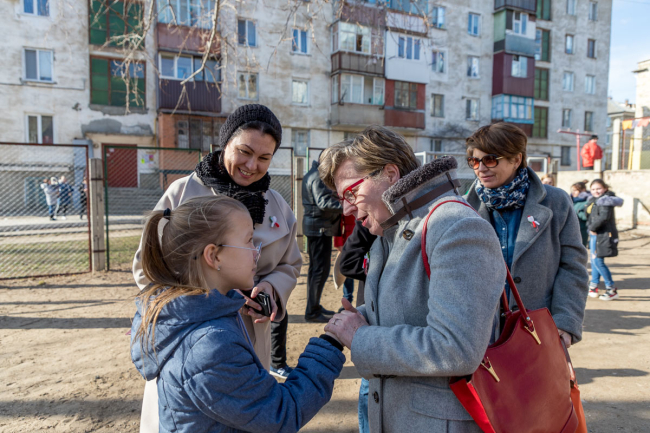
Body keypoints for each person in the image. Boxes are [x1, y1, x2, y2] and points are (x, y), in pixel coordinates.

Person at [320, 126, 506, 432]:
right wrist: (363, 316)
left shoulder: (455, 226)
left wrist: (360, 337)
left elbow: (455, 347)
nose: (346, 207)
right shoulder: (392, 228)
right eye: (342, 198)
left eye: (351, 192)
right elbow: (412, 306)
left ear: (390, 175)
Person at [132, 104, 302, 432]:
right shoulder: (183, 193)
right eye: (244, 152)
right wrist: (207, 298)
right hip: (189, 339)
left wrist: (270, 290)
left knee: (247, 414)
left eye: (264, 158)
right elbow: (147, 267)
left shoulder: (279, 207)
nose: (252, 166)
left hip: (249, 338)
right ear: (224, 144)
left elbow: (289, 264)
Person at [131, 195, 345, 433]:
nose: (256, 252)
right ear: (214, 256)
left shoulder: (191, 315)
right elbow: (280, 414)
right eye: (249, 241)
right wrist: (330, 344)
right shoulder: (210, 347)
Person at [464, 122, 589, 349]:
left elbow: (573, 266)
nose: (480, 168)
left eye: (490, 160)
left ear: (516, 159)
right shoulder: (462, 208)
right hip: (477, 335)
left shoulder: (556, 201)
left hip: (538, 332)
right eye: (474, 161)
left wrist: (565, 321)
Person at [337, 220, 376, 433]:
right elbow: (347, 262)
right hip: (371, 312)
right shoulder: (370, 219)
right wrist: (381, 276)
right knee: (370, 380)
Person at [302, 154, 343, 323]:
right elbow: (323, 202)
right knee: (320, 271)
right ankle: (312, 311)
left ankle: (314, 307)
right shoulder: (318, 176)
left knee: (316, 271)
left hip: (317, 227)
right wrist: (347, 205)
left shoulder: (312, 173)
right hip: (319, 229)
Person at [586, 179, 623, 300]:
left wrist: (592, 228)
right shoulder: (593, 200)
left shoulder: (605, 201)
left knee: (598, 261)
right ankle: (593, 287)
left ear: (605, 188)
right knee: (594, 261)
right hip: (595, 234)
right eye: (593, 189)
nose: (596, 191)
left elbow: (603, 218)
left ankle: (611, 289)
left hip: (603, 235)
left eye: (598, 188)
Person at [333, 214, 356, 307]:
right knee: (348, 271)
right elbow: (338, 220)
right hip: (349, 238)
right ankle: (347, 299)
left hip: (368, 234)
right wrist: (338, 242)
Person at [571, 182, 591, 247]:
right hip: (570, 230)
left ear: (583, 190)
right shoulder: (570, 200)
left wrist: (578, 213)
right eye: (572, 190)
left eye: (575, 190)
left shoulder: (587, 201)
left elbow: (588, 216)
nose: (573, 192)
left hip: (582, 230)